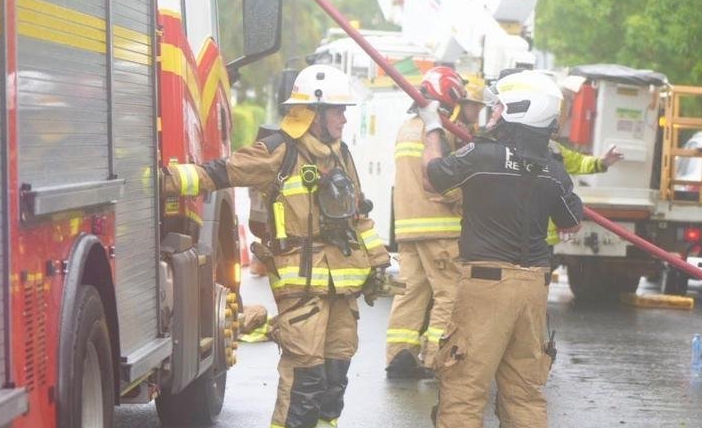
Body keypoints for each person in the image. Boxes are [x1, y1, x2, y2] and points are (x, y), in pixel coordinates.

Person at [163, 64, 390, 428]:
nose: (344, 118)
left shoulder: (341, 154)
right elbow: (223, 171)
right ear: (313, 112)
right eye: (337, 110)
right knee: (305, 381)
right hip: (301, 290)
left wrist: (378, 264)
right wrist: (165, 180)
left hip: (343, 289)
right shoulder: (279, 150)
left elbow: (359, 215)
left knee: (335, 379)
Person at [421, 69, 585, 428]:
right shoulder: (553, 169)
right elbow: (573, 221)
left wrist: (432, 128)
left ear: (517, 110)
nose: (492, 113)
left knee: (464, 386)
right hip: (533, 289)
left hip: (487, 286)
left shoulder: (482, 156)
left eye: (498, 107)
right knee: (524, 393)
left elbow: (432, 176)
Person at [384, 66, 483, 378]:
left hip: (408, 228)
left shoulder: (406, 128)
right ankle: (433, 360)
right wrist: (465, 196)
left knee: (409, 294)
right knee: (449, 294)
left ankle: (398, 356)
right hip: (440, 228)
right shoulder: (437, 134)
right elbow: (443, 180)